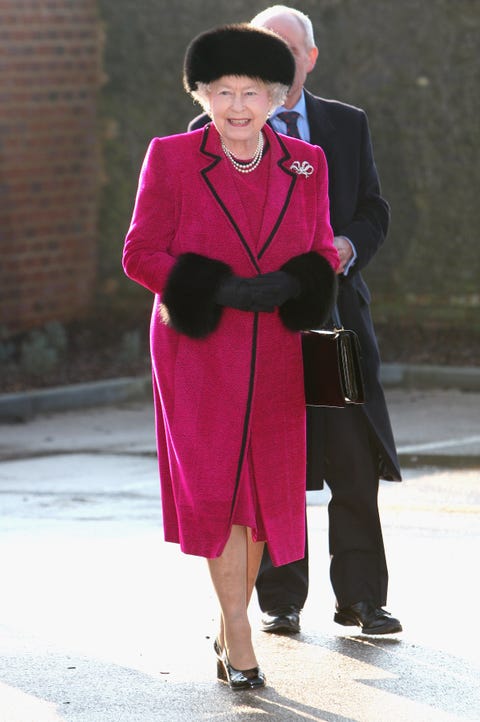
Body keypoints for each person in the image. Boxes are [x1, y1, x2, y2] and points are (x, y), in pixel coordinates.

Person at [122, 23, 339, 690]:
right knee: (217, 485)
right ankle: (239, 633)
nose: (237, 107)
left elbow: (326, 250)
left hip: (276, 347)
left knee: (263, 492)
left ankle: (228, 618)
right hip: (198, 352)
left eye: (252, 93)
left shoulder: (308, 162)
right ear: (203, 94)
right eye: (223, 92)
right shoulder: (171, 156)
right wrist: (211, 286)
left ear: (278, 97)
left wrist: (296, 281)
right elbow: (139, 253)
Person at [189, 4, 403, 637]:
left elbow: (374, 208)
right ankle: (280, 600)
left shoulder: (347, 125)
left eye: (289, 48)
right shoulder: (213, 128)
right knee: (271, 466)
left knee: (353, 466)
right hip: (256, 332)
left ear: (310, 58)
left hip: (335, 326)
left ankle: (362, 599)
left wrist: (348, 244)